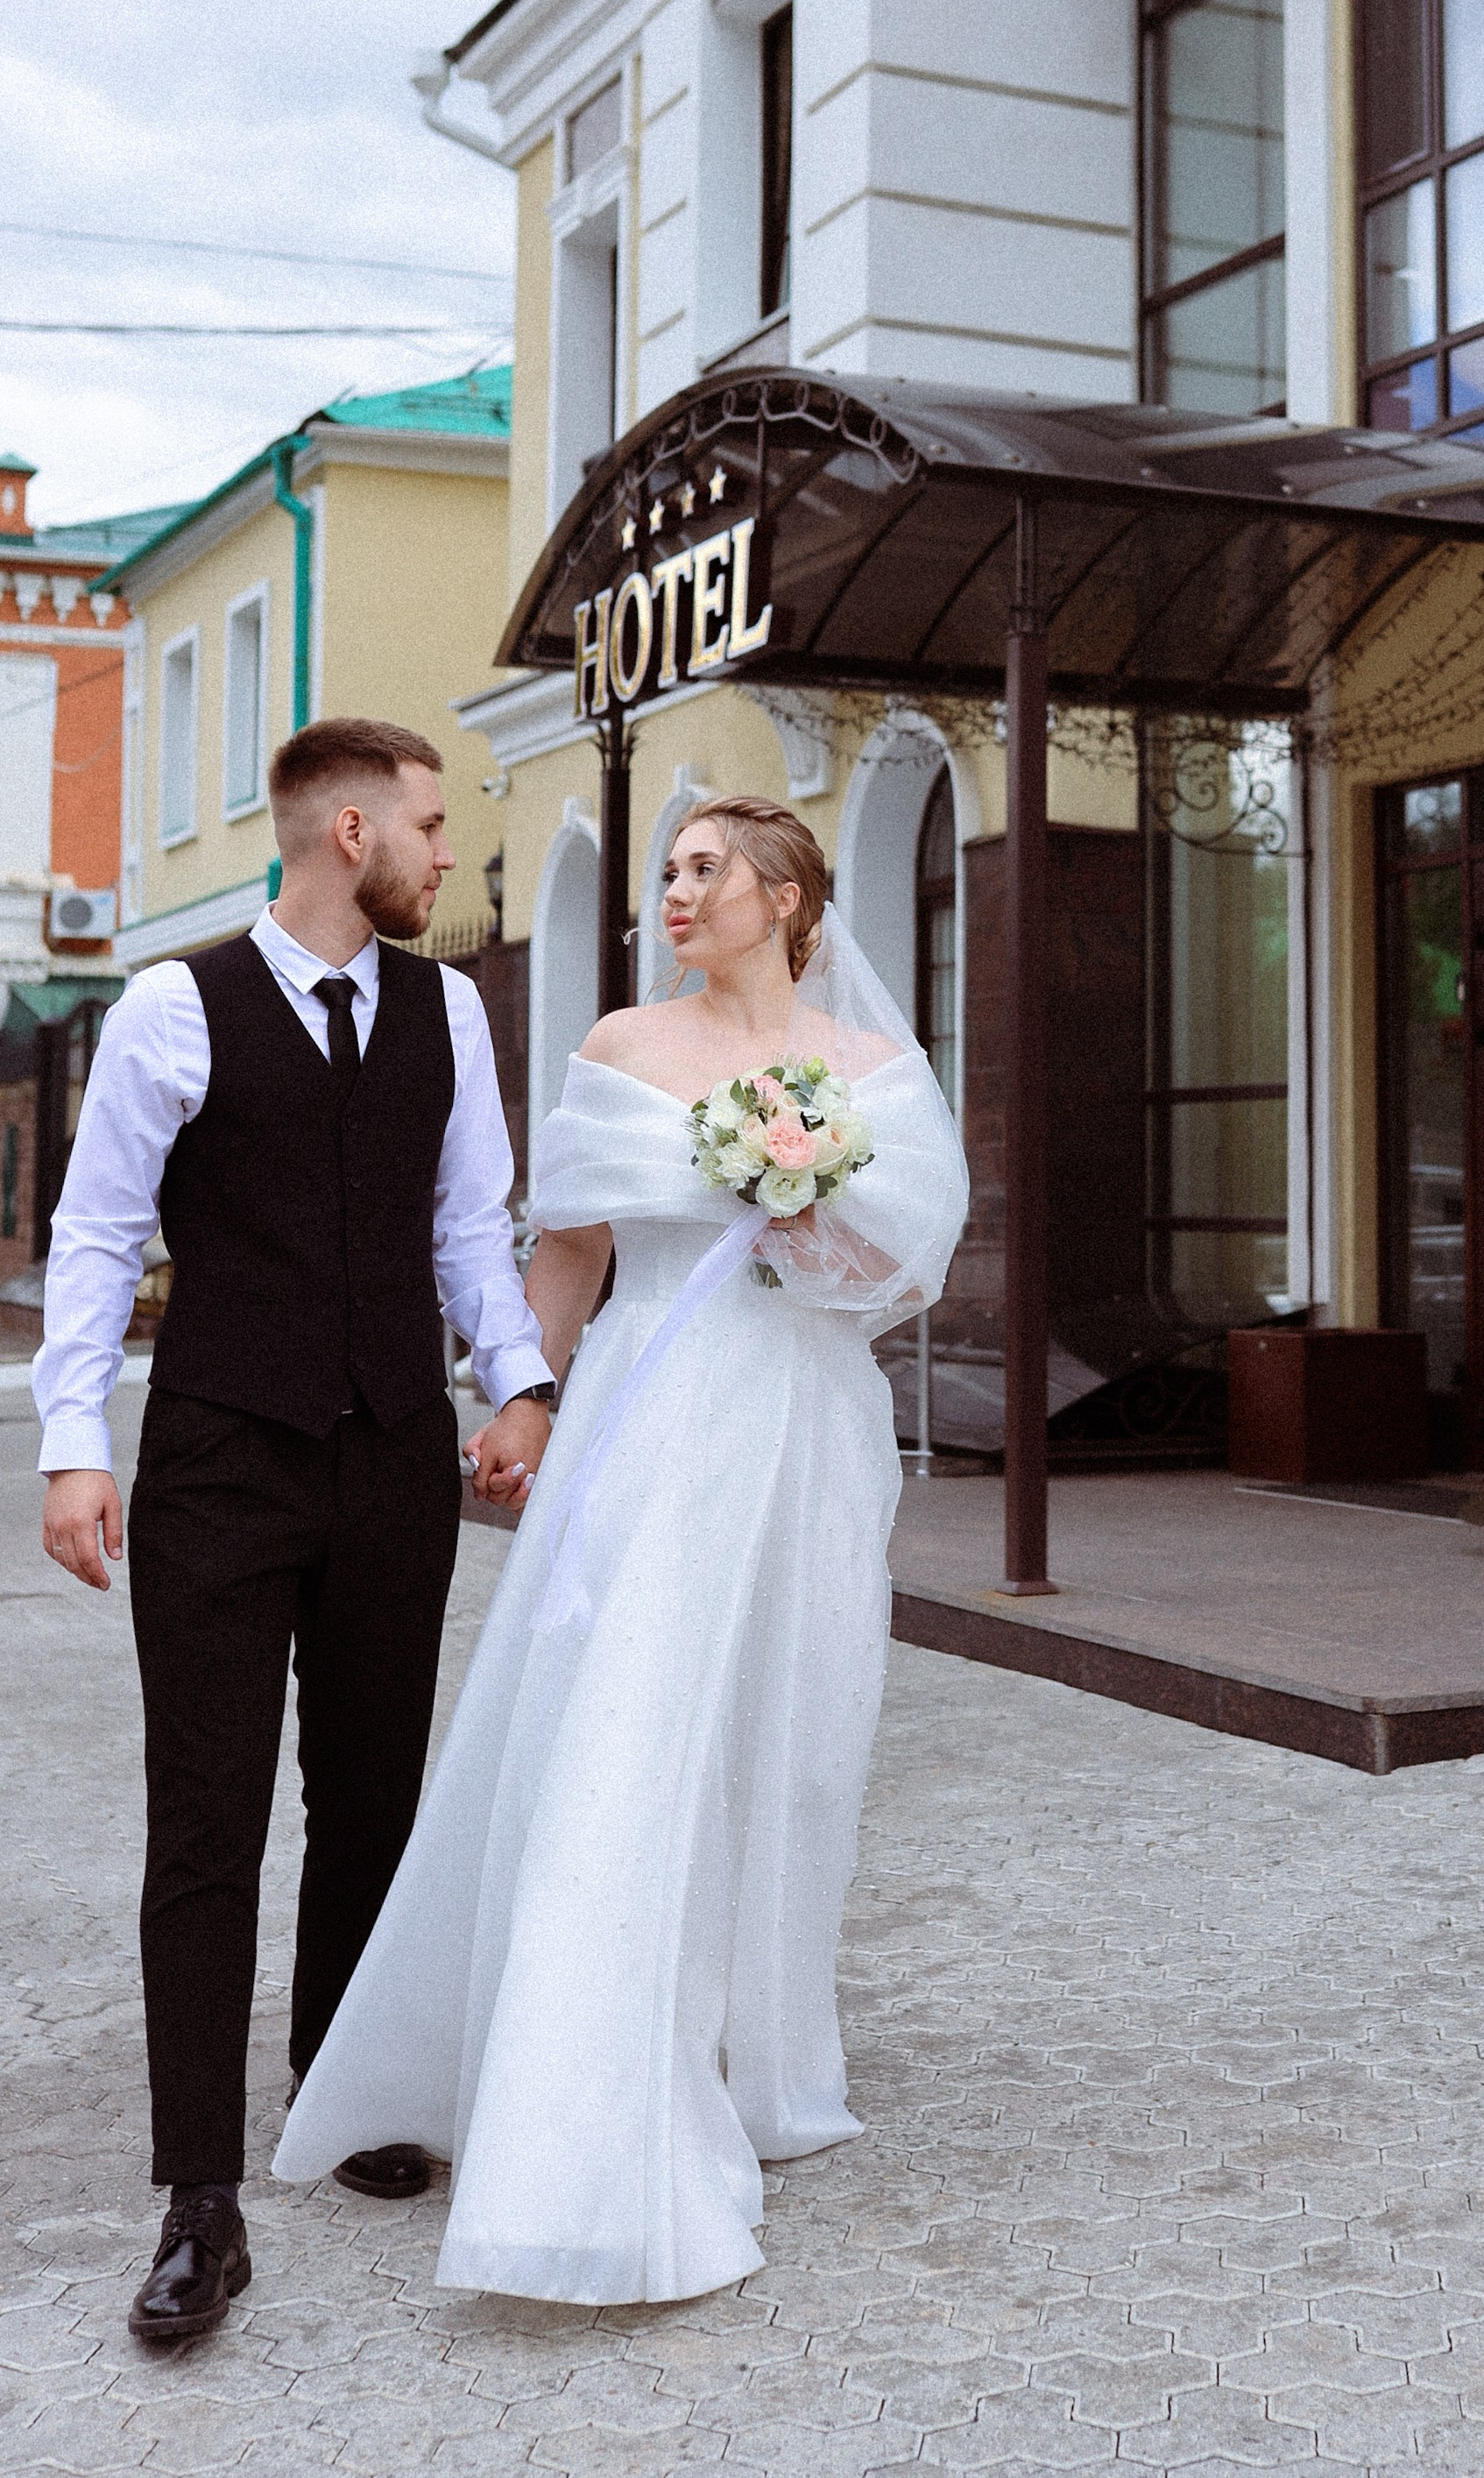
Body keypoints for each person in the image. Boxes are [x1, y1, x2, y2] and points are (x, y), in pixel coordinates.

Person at [274, 794, 968, 2305]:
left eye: (706, 869)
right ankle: (580, 2116)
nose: (676, 890)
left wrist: (801, 1201)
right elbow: (572, 1246)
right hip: (649, 1430)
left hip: (801, 1432)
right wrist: (523, 1393)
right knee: (622, 1735)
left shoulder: (874, 1075)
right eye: (664, 870)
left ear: (787, 899)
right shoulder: (620, 1050)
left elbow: (901, 1269)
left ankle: (749, 2042)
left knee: (783, 1745)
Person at [36, 719, 555, 2347]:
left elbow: (472, 1224)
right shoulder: (172, 1007)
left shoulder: (451, 1010)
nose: (448, 851)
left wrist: (521, 1385)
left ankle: (341, 2080)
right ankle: (201, 2191)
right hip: (219, 1457)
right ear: (347, 833)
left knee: (373, 1790)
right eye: (429, 823)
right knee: (207, 1815)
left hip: (396, 1454)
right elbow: (99, 1233)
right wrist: (70, 1447)